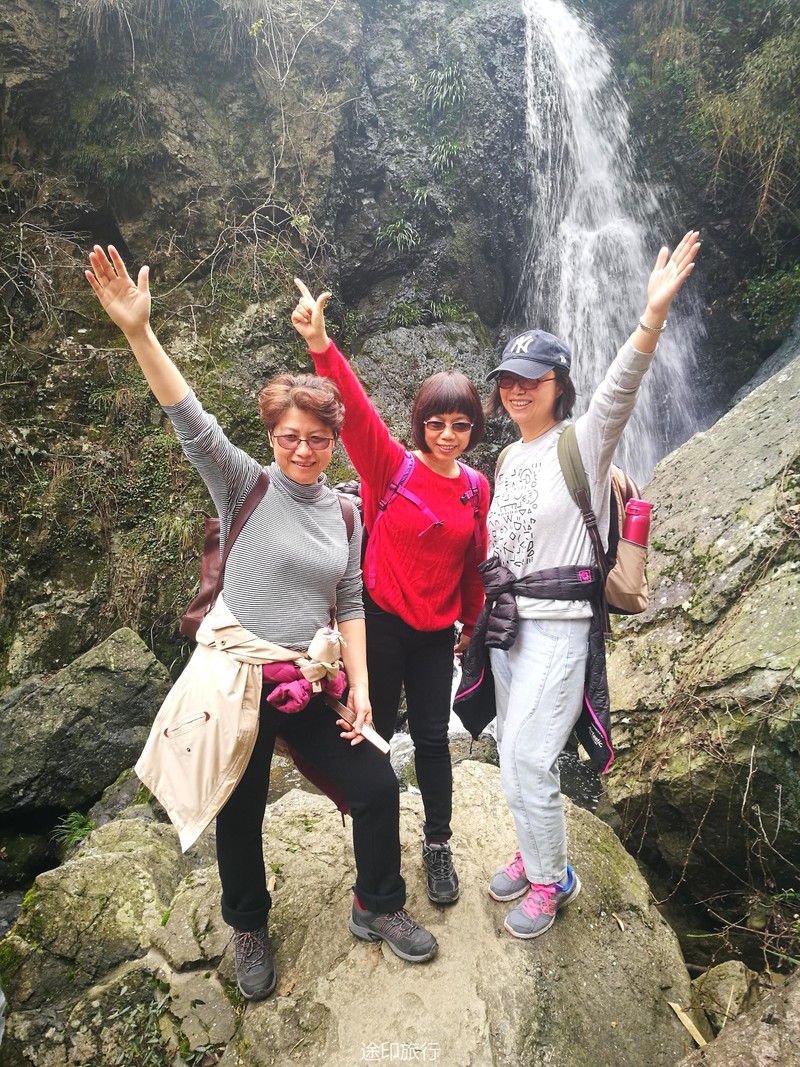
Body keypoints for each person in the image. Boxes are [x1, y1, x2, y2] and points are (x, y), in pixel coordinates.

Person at [85, 245, 438, 1002]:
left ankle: (378, 903)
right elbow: (188, 417)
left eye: (318, 439)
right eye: (289, 437)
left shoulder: (346, 514)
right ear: (271, 436)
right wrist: (140, 331)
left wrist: (360, 688)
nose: (304, 451)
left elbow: (350, 603)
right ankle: (248, 925)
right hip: (237, 678)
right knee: (238, 811)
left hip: (306, 680)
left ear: (334, 440)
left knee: (376, 783)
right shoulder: (243, 483)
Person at [481, 231, 701, 939]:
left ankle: (554, 880)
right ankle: (531, 850)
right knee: (509, 748)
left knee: (529, 755)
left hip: (559, 628)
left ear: (560, 385)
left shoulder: (584, 438)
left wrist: (652, 315)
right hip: (507, 626)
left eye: (532, 379)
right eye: (508, 379)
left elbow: (623, 385)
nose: (517, 389)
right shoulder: (507, 458)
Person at [291, 280, 490, 905]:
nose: (448, 435)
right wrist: (321, 345)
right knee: (371, 733)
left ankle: (438, 844)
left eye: (460, 425)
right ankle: (374, 860)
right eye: (437, 424)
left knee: (431, 740)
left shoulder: (475, 487)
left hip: (435, 634)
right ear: (420, 425)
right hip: (377, 623)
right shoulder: (390, 466)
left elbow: (473, 561)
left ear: (474, 428)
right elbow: (352, 407)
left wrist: (471, 622)